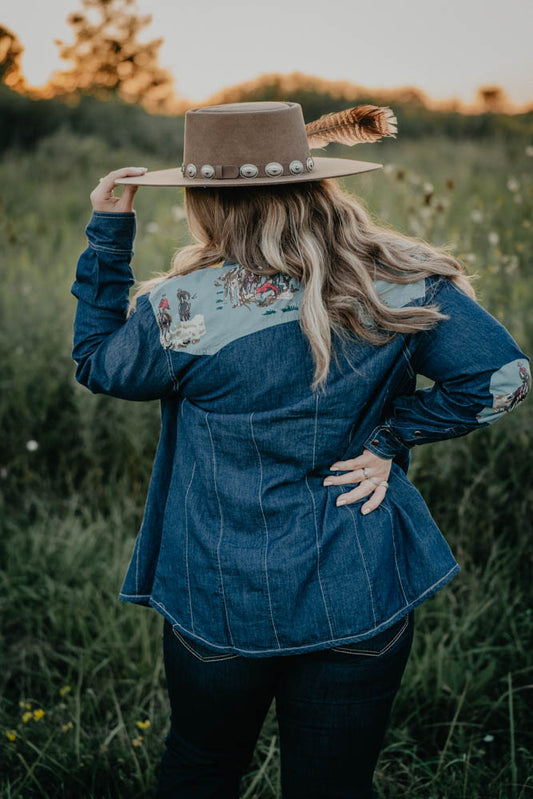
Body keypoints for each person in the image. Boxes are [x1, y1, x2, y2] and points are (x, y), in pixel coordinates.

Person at [70, 101, 531, 798]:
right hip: (360, 583)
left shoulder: (182, 309)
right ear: (316, 182)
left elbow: (97, 363)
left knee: (200, 766)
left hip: (219, 590)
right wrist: (389, 437)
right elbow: (504, 377)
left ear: (208, 203)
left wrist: (110, 232)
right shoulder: (399, 277)